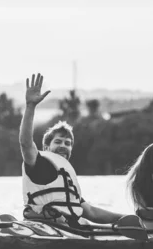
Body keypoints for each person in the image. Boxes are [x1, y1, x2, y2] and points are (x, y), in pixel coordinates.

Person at [19, 73, 126, 226]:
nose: (63, 145)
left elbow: (91, 212)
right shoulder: (37, 163)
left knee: (85, 223)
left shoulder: (67, 179)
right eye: (58, 141)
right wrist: (30, 106)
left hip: (69, 230)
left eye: (68, 143)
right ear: (46, 147)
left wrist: (124, 219)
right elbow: (25, 143)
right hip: (46, 228)